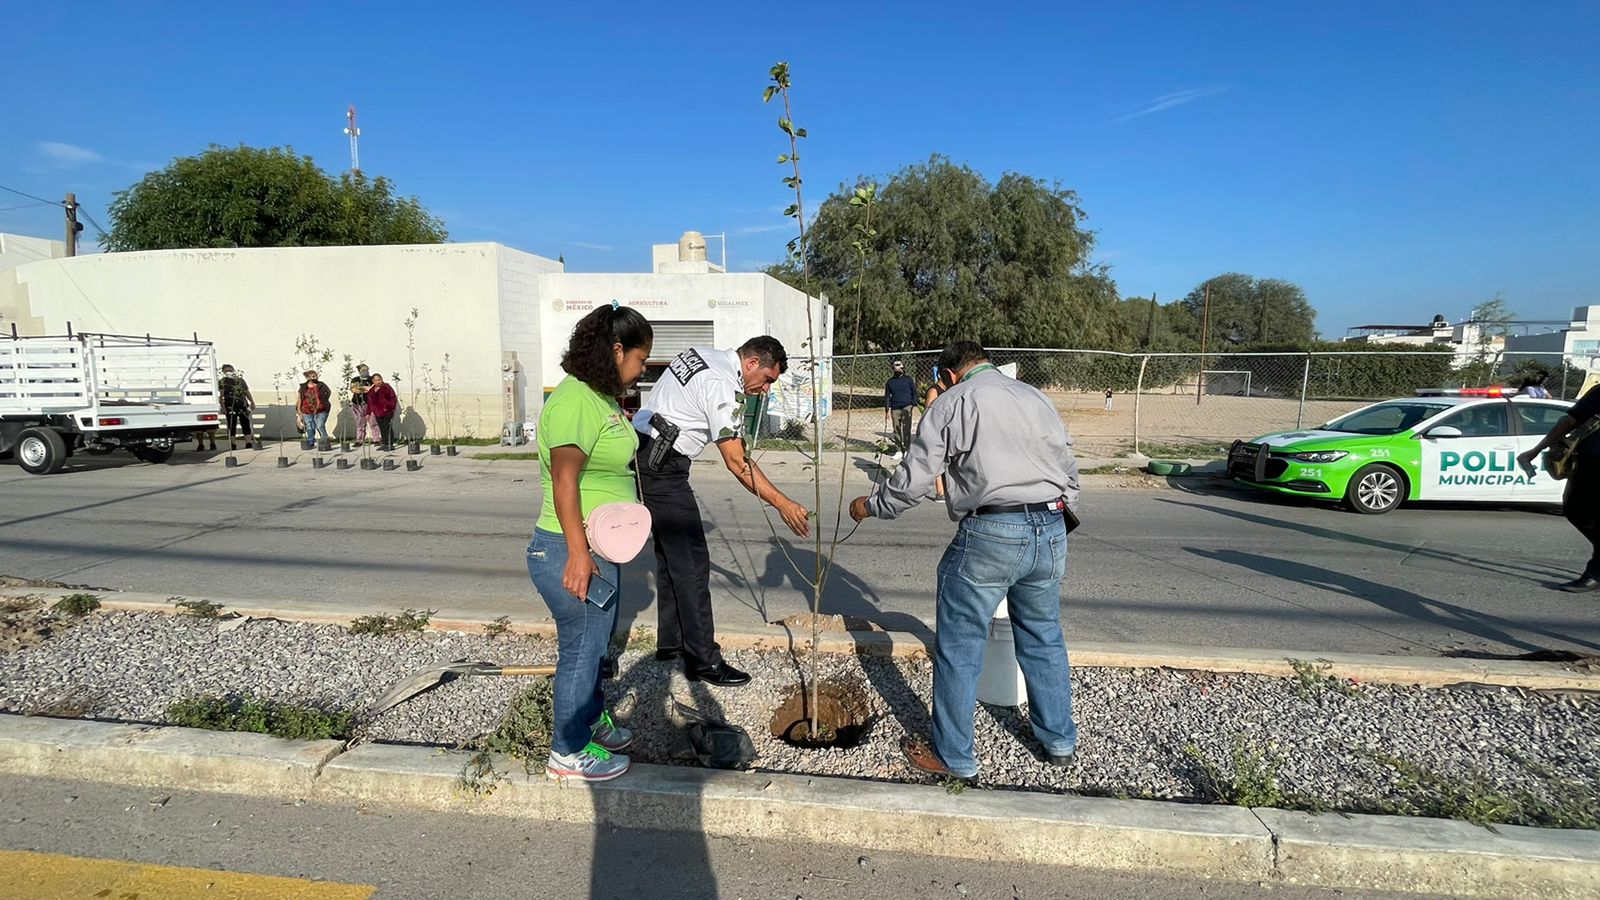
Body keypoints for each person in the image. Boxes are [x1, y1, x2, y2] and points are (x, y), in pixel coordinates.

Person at [849, 341, 1080, 784]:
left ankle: (955, 756)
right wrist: (1058, 506)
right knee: (1044, 635)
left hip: (992, 531)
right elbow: (1069, 467)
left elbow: (913, 480)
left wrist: (871, 505)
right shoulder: (1035, 396)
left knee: (959, 647)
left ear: (949, 374)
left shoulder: (953, 402)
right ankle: (1059, 741)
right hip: (1050, 528)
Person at [635, 336, 811, 686]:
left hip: (644, 450)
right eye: (768, 380)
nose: (765, 390)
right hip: (663, 466)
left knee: (672, 557)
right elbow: (737, 461)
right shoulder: (724, 386)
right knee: (692, 564)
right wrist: (783, 503)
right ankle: (703, 660)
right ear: (751, 364)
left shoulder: (700, 352)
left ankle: (672, 643)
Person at [528, 303, 653, 782]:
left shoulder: (600, 398)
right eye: (640, 360)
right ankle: (567, 751)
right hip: (567, 545)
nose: (642, 370)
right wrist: (580, 554)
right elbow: (564, 480)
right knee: (581, 649)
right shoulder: (576, 399)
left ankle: (589, 720)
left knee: (596, 645)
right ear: (616, 350)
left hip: (597, 547)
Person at [1518, 382, 1600, 592]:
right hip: (1588, 466)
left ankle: (1596, 574)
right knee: (1575, 510)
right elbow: (1570, 420)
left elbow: (1569, 421)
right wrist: (1536, 450)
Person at [884, 359, 917, 460]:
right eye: (895, 366)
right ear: (893, 368)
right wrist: (887, 410)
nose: (898, 368)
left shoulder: (908, 379)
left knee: (906, 429)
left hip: (907, 407)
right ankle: (899, 450)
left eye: (899, 366)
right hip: (895, 408)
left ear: (903, 368)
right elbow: (887, 397)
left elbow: (914, 392)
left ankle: (907, 450)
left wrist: (912, 404)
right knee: (896, 429)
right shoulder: (890, 382)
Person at [218, 364, 256, 450]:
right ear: (223, 372)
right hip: (230, 405)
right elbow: (221, 395)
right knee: (231, 424)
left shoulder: (240, 380)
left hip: (242, 404)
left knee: (245, 423)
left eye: (230, 370)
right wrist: (223, 406)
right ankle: (233, 443)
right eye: (226, 371)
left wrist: (252, 402)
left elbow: (246, 392)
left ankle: (248, 442)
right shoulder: (222, 382)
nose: (229, 372)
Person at [925, 369, 946, 502]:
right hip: (936, 429)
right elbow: (928, 410)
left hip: (947, 429)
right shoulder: (934, 390)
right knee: (937, 461)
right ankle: (940, 492)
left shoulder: (952, 389)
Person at [297, 370, 332, 450]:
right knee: (310, 426)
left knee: (320, 425)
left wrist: (324, 401)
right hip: (307, 410)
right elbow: (300, 398)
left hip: (320, 410)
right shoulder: (303, 387)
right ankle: (310, 442)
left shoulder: (321, 385)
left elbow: (329, 392)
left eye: (316, 376)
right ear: (308, 378)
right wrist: (299, 409)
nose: (315, 377)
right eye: (313, 376)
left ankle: (325, 440)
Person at [366, 373, 398, 451]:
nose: (378, 382)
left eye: (379, 380)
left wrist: (389, 407)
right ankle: (384, 443)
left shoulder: (386, 387)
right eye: (376, 380)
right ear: (373, 381)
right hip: (377, 411)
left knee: (387, 427)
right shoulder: (372, 390)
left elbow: (393, 398)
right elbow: (370, 402)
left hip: (387, 411)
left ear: (382, 379)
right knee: (382, 427)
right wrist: (368, 412)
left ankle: (390, 444)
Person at [350, 363, 376, 445]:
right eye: (363, 370)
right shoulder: (355, 380)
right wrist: (365, 389)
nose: (366, 371)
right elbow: (354, 390)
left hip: (370, 404)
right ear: (359, 371)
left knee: (373, 422)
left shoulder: (372, 379)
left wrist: (362, 388)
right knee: (360, 423)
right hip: (357, 404)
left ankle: (376, 439)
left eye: (367, 369)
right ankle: (360, 440)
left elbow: (373, 389)